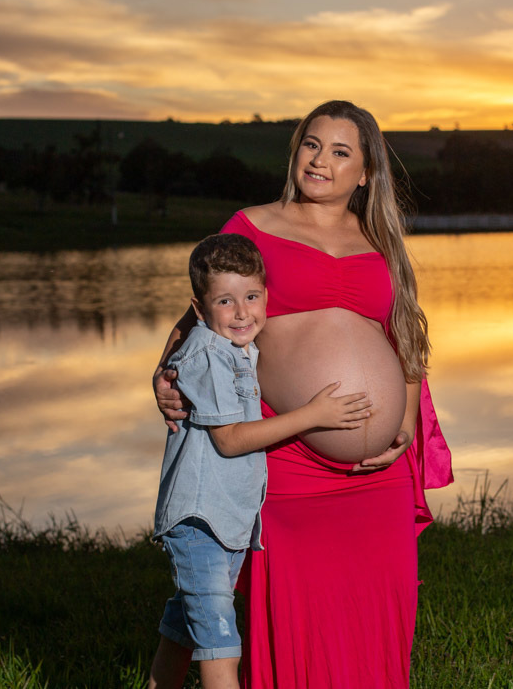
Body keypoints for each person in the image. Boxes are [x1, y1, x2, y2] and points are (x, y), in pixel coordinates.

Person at [152, 100, 453, 688]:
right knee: (299, 608)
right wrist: (163, 374)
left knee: (378, 602)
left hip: (380, 473)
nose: (320, 161)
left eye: (340, 152)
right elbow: (202, 316)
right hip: (290, 457)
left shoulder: (380, 239)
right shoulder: (252, 226)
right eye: (312, 144)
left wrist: (405, 424)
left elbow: (406, 337)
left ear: (365, 172)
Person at [149, 233, 373, 689]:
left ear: (266, 296)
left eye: (251, 297)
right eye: (225, 301)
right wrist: (312, 415)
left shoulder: (237, 349)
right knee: (221, 647)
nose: (241, 312)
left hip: (224, 519)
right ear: (199, 310)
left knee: (186, 628)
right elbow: (230, 440)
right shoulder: (209, 355)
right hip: (200, 521)